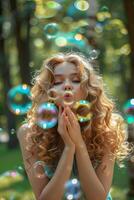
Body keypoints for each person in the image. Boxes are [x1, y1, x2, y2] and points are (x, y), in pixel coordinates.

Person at [17, 52, 131, 200]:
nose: (67, 86)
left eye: (76, 80)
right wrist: (69, 148)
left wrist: (79, 144)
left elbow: (97, 198)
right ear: (48, 91)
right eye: (57, 82)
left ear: (88, 89)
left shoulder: (107, 127)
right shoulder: (29, 133)